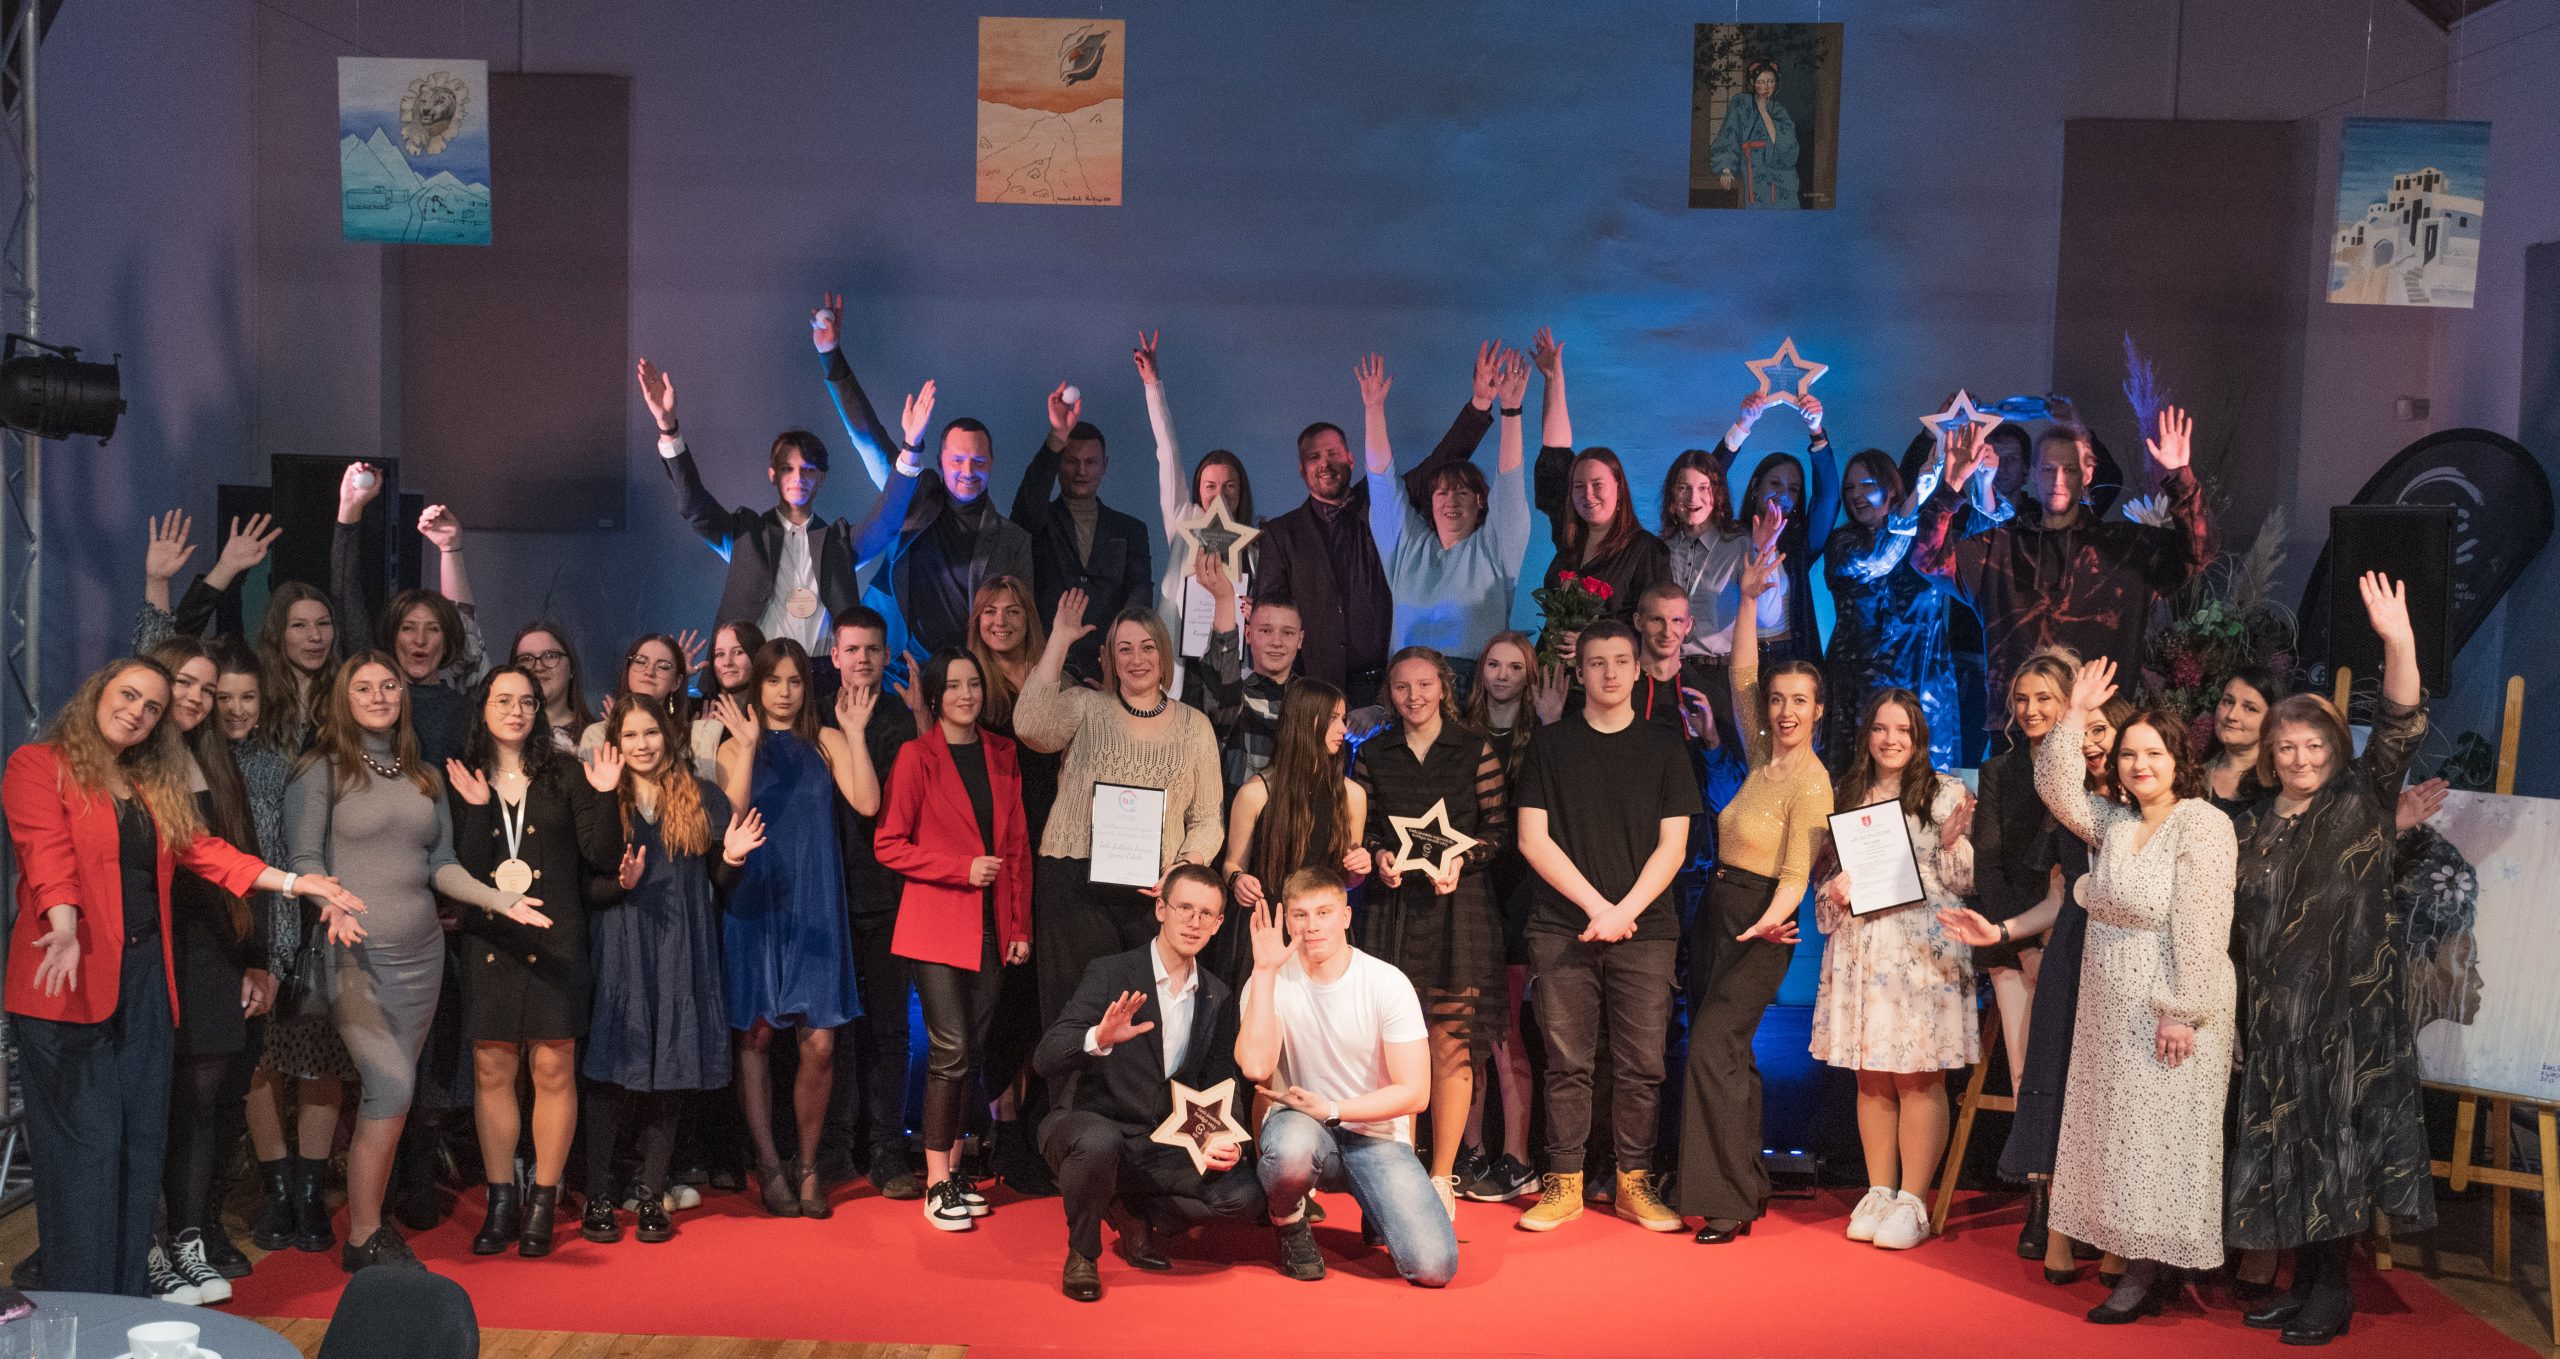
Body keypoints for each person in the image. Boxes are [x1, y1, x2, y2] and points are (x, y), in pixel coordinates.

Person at [4, 657, 362, 1297]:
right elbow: (45, 854)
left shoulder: (147, 782)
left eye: (151, 708)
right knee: (87, 1151)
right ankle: (84, 1301)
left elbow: (208, 853)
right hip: (68, 978)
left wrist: (294, 883)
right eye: (128, 696)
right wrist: (62, 924)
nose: (137, 713)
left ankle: (128, 1297)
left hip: (146, 980)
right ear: (96, 694)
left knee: (142, 1141)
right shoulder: (37, 765)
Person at [2223, 574, 2436, 1344]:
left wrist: (2397, 640)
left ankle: (2333, 1290)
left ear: (2335, 749)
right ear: (2270, 754)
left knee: (2336, 1152)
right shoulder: (2249, 826)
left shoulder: (2361, 801)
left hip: (2348, 1020)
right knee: (2291, 1153)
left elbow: (2400, 724)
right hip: (2275, 1022)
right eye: (2287, 745)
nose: (2301, 755)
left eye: (2315, 744)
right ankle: (2303, 1282)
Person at [284, 652, 549, 1271]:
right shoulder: (320, 770)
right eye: (363, 688)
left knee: (396, 1098)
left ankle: (370, 1229)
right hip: (355, 955)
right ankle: (363, 1237)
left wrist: (497, 898)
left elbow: (441, 864)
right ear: (343, 698)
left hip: (423, 958)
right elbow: (302, 861)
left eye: (388, 686)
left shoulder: (424, 776)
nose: (378, 696)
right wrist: (330, 903)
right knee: (391, 1086)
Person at [2029, 655, 2238, 1324]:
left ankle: (2147, 1271)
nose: (2138, 764)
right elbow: (2056, 789)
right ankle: (2137, 1255)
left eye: (2153, 753)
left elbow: (2202, 923)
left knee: (2161, 1138)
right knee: (2124, 1136)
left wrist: (2180, 1010)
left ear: (2179, 759)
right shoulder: (2116, 823)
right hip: (2110, 1008)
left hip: (2171, 1004)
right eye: (2128, 754)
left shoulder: (2201, 823)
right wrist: (2071, 715)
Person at [1512, 618, 1700, 1235]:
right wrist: (1599, 908)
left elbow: (1674, 847)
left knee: (1642, 1064)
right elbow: (1532, 840)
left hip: (1646, 930)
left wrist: (1624, 913)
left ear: (1639, 670)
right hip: (1561, 926)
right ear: (1579, 673)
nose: (1610, 673)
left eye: (1621, 661)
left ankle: (1633, 1182)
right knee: (1566, 1063)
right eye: (1597, 663)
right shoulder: (1550, 746)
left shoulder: (1665, 747)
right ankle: (1563, 1182)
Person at [1944, 688, 2132, 1285]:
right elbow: (2059, 900)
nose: (2092, 743)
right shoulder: (2072, 810)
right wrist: (2001, 930)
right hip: (2070, 958)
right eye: (2084, 732)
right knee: (2054, 1086)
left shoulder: (2149, 815)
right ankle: (2055, 1233)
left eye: (2102, 731)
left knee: (2108, 1100)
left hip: (2124, 966)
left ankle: (2111, 1236)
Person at [445, 666, 628, 1258]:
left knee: (553, 1071)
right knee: (492, 1072)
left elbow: (602, 856)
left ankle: (543, 1202)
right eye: (503, 700)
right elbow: (462, 873)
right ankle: (502, 1201)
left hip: (557, 941)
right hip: (490, 941)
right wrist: (478, 809)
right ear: (483, 708)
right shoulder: (465, 776)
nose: (516, 711)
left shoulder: (566, 773)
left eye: (526, 701)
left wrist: (606, 793)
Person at [1678, 542, 1832, 1244]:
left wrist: (1766, 925)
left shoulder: (1813, 782)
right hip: (1721, 906)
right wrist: (1746, 599)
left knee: (1713, 1047)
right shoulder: (1763, 753)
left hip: (1764, 924)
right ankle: (1745, 1186)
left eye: (1800, 700)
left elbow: (1796, 873)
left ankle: (1724, 1199)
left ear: (1818, 709)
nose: (1786, 710)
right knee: (1732, 1056)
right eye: (1778, 700)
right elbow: (1741, 671)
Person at [1035, 863, 1267, 1301]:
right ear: (1161, 909)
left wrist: (1228, 1139)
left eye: (1205, 913)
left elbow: (1222, 1078)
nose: (1193, 921)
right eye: (1184, 908)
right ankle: (1083, 1254)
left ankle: (1131, 1207)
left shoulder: (1216, 993)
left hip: (1161, 1139)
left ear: (1219, 924)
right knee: (1098, 1143)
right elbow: (1046, 1056)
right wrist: (1098, 1038)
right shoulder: (1110, 972)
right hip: (1092, 1125)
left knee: (1244, 1197)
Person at [1917, 409, 2212, 748]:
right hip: (2017, 735)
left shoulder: (2125, 547)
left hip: (2099, 735)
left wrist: (2180, 477)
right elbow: (1927, 560)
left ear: (2088, 473)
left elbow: (2198, 553)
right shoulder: (1999, 547)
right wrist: (1950, 489)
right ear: (2033, 474)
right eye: (2048, 469)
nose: (2058, 480)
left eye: (2069, 469)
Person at [580, 694, 759, 1246]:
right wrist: (621, 884)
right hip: (622, 945)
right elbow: (587, 883)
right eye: (630, 735)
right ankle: (598, 1195)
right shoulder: (602, 795)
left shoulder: (702, 796)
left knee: (672, 1071)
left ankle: (652, 1193)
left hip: (683, 945)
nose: (642, 745)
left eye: (651, 733)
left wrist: (731, 857)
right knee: (611, 1070)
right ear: (615, 741)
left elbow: (721, 885)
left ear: (669, 735)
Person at [708, 639, 879, 1218]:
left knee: (821, 1044)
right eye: (773, 681)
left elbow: (867, 802)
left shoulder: (826, 740)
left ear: (808, 686)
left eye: (795, 681)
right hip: (755, 903)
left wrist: (854, 733)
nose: (784, 692)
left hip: (815, 904)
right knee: (755, 1037)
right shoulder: (732, 745)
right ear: (756, 686)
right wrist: (748, 748)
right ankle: (767, 1163)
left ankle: (808, 1165)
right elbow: (728, 820)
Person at [1807, 689, 1977, 1252]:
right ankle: (1879, 1191)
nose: (1890, 739)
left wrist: (1952, 844)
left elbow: (1966, 884)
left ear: (1919, 736)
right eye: (1881, 728)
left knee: (1918, 1076)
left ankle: (1913, 1202)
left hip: (1922, 955)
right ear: (1867, 735)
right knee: (1872, 1076)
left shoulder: (1947, 792)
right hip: (1862, 951)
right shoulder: (1847, 794)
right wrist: (1833, 892)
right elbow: (1824, 882)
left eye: (1902, 729)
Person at [874, 650, 1035, 1230]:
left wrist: (1019, 926)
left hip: (992, 927)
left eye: (973, 684)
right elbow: (888, 844)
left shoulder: (1003, 754)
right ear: (936, 696)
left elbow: (1016, 847)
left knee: (973, 1052)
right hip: (935, 924)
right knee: (951, 1050)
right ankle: (936, 1181)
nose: (966, 695)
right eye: (954, 686)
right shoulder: (916, 757)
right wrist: (958, 868)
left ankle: (956, 1172)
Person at [1014, 589, 1226, 1027]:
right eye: (1124, 649)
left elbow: (1208, 820)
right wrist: (1059, 640)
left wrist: (1183, 868)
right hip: (1075, 880)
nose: (1136, 659)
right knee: (1075, 1013)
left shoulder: (1195, 727)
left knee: (1142, 1016)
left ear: (1163, 655)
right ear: (1110, 658)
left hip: (1154, 890)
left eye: (1147, 647)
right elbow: (1030, 726)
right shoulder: (1085, 706)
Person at [1238, 868, 1457, 1288]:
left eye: (1323, 912)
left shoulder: (1386, 982)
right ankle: (1289, 1221)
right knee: (1291, 1150)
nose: (1312, 925)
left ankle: (1376, 1206)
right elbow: (1254, 1068)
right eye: (1300, 915)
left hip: (1374, 1136)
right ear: (1287, 922)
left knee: (1434, 1267)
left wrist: (1334, 1109)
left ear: (1346, 916)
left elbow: (1415, 1093)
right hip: (1302, 1127)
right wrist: (1264, 973)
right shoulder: (1268, 979)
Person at [1355, 647, 1511, 1212]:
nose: (1414, 696)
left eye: (1424, 684)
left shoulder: (1474, 749)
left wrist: (1461, 860)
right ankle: (1398, 1171)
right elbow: (1364, 829)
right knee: (1394, 1049)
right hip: (1391, 913)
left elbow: (1499, 830)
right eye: (1401, 686)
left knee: (1451, 1045)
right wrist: (1379, 857)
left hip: (1457, 910)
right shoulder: (1373, 753)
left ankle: (1442, 1177)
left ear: (1443, 687)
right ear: (1389, 693)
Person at [1258, 344, 1501, 702]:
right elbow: (1271, 613)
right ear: (1301, 468)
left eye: (1333, 453)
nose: (1324, 463)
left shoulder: (1385, 503)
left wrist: (1479, 405)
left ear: (1351, 459)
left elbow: (1441, 463)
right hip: (1319, 690)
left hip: (1392, 685)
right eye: (1314, 457)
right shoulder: (1281, 535)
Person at [818, 301, 1032, 664]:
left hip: (968, 673)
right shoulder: (914, 496)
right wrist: (830, 356)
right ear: (940, 462)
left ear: (991, 463)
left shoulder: (1012, 540)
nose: (968, 470)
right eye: (957, 460)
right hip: (892, 665)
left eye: (978, 461)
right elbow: (867, 437)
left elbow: (1020, 624)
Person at [638, 357, 860, 655]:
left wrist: (910, 448)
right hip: (757, 672)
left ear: (821, 477)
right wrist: (668, 428)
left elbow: (888, 520)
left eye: (808, 469)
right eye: (787, 468)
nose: (797, 478)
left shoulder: (838, 541)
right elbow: (694, 506)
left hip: (822, 674)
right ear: (772, 475)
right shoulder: (747, 535)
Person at [817, 609, 927, 1201]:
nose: (862, 659)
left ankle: (887, 1150)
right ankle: (833, 1147)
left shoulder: (904, 721)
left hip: (889, 895)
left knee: (889, 1028)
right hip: (826, 897)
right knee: (832, 1029)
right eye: (852, 649)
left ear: (886, 656)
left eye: (872, 650)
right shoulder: (813, 716)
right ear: (834, 655)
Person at [1363, 347, 1534, 674]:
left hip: (1473, 687)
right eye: (1441, 492)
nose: (1450, 500)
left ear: (1480, 501)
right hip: (1410, 686)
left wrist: (1511, 410)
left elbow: (1510, 484)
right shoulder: (1408, 548)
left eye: (1462, 492)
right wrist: (1373, 410)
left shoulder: (1495, 548)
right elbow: (1382, 484)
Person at [1454, 631, 1544, 1203]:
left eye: (1515, 666)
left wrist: (1552, 724)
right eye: (1493, 664)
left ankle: (1517, 1158)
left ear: (1530, 675)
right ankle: (1469, 1151)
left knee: (1507, 1032)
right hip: (1468, 889)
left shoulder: (1545, 736)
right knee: (1466, 1034)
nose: (1503, 675)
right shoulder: (1461, 735)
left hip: (1520, 896)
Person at [1219, 679, 1369, 992]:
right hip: (1268, 926)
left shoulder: (1351, 795)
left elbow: (1347, 880)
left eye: (1343, 718)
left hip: (1321, 930)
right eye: (1333, 718)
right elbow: (1232, 864)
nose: (1343, 729)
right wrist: (1238, 881)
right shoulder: (1255, 794)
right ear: (1304, 720)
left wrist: (1358, 869)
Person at [1133, 330, 1259, 703]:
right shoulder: (1183, 523)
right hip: (1182, 673)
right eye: (1210, 485)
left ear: (1241, 491)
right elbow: (1167, 453)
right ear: (1197, 489)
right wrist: (1153, 386)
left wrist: (1256, 614)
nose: (1219, 494)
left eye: (1229, 486)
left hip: (1230, 673)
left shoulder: (1253, 548)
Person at [332, 465, 486, 763]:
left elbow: (465, 624)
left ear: (447, 641)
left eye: (433, 629)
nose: (420, 639)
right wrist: (349, 510)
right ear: (392, 635)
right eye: (408, 628)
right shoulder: (374, 692)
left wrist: (451, 549)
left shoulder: (464, 709)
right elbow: (345, 597)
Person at [1823, 448, 1959, 769]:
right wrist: (1918, 496)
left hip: (1923, 680)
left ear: (1891, 489)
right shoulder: (1842, 543)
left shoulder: (1926, 537)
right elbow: (1881, 559)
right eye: (1850, 488)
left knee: (1924, 782)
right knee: (1858, 779)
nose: (1856, 495)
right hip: (1859, 686)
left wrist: (1972, 477)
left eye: (1867, 485)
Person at [1528, 334, 1672, 630]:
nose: (1588, 494)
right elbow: (1555, 455)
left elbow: (1654, 627)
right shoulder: (1570, 539)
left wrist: (1589, 642)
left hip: (1611, 660)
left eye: (1598, 484)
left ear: (1619, 487)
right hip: (1553, 659)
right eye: (1578, 486)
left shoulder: (1645, 550)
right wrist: (1553, 380)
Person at [1013, 384, 1155, 681]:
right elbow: (1027, 503)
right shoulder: (1038, 521)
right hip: (1046, 667)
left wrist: (1121, 662)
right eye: (1071, 461)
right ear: (1058, 464)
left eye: (1090, 462)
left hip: (1108, 673)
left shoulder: (1131, 531)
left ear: (1105, 466)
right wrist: (1056, 437)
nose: (1081, 471)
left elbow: (1138, 600)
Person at [1720, 395, 1839, 670]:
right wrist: (1743, 425)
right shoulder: (1730, 535)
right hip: (1736, 657)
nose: (1783, 495)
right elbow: (1707, 479)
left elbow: (1829, 498)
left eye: (1793, 489)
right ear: (1755, 487)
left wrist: (1817, 432)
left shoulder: (1799, 543)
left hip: (1788, 658)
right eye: (1775, 483)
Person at [1199, 573, 1300, 793]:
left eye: (1287, 633)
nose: (1276, 641)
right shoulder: (1239, 697)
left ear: (1300, 639)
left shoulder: (1314, 701)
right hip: (1240, 814)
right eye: (1265, 631)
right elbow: (1221, 681)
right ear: (1248, 634)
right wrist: (1224, 600)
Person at [578, 633, 724, 780]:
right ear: (628, 669)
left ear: (677, 682)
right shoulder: (597, 735)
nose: (649, 671)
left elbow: (704, 791)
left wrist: (705, 736)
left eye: (663, 666)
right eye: (640, 661)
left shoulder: (696, 738)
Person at [1709, 60, 1800, 208]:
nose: (1766, 87)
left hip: (1776, 176)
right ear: (1752, 82)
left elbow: (1788, 147)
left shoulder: (1779, 110)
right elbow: (1729, 134)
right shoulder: (1741, 103)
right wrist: (1726, 169)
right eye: (1761, 82)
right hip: (1749, 171)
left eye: (1771, 81)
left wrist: (1764, 113)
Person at [2202, 665, 2281, 813]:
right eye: (2228, 701)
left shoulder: (2282, 785)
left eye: (2250, 708)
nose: (2232, 715)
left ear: (2272, 720)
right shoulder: (2192, 777)